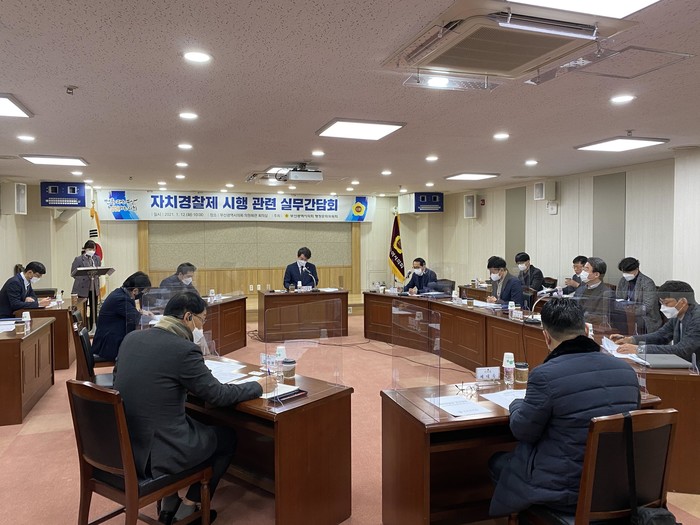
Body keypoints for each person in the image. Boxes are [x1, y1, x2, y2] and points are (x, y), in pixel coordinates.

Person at [113, 291, 277, 524]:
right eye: (202, 320)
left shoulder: (131, 339)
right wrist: (258, 386)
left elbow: (121, 382)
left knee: (193, 419)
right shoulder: (182, 349)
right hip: (161, 451)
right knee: (227, 438)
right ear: (188, 317)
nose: (201, 327)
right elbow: (218, 395)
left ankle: (169, 503)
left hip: (127, 446)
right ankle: (190, 507)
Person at [488, 298, 640, 517]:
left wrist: (517, 404)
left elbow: (523, 431)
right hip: (616, 486)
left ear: (546, 336)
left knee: (498, 462)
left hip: (564, 491)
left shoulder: (545, 376)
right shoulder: (626, 371)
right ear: (586, 330)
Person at [614, 280, 700, 362]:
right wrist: (631, 339)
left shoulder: (697, 318)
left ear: (683, 302)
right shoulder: (677, 315)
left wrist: (640, 349)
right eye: (661, 303)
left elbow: (683, 350)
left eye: (666, 303)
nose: (663, 307)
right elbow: (661, 335)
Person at [92, 271, 153, 361]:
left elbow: (131, 314)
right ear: (135, 290)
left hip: (113, 338)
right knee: (144, 353)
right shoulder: (121, 299)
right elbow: (137, 319)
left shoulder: (120, 293)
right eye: (143, 292)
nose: (142, 295)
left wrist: (141, 313)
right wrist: (152, 318)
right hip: (109, 345)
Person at [614, 257, 662, 334]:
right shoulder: (623, 281)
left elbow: (648, 307)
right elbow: (618, 299)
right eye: (624, 272)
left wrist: (630, 313)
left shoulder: (647, 283)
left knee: (628, 320)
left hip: (646, 317)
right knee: (614, 317)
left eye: (628, 271)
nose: (626, 274)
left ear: (637, 269)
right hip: (626, 313)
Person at [70, 240, 102, 331]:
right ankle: (83, 328)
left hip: (94, 286)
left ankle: (93, 327)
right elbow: (73, 273)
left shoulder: (97, 258)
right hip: (82, 287)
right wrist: (84, 275)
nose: (91, 251)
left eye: (93, 249)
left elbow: (99, 271)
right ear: (85, 249)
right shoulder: (78, 259)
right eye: (89, 249)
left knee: (93, 308)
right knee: (82, 309)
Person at [579, 257, 614, 326]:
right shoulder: (581, 289)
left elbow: (599, 318)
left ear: (596, 275)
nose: (582, 272)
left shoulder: (606, 293)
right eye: (583, 269)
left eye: (586, 269)